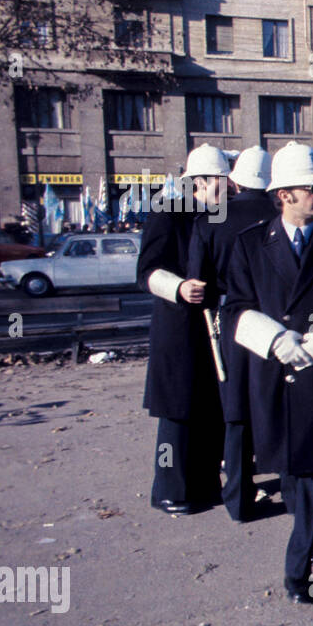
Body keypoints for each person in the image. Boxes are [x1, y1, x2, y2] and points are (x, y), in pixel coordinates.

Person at [225, 143, 313, 603]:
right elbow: (236, 308)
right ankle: (311, 556)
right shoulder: (250, 244)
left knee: (311, 473)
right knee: (298, 476)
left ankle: (299, 569)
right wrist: (279, 341)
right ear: (284, 195)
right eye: (312, 189)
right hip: (277, 375)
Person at [137, 144, 228, 514]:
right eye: (221, 183)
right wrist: (177, 287)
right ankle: (169, 489)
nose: (228, 189)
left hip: (212, 326)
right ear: (200, 183)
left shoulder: (220, 217)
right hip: (178, 325)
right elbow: (146, 270)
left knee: (209, 409)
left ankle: (206, 485)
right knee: (177, 410)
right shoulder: (168, 214)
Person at [187, 145, 275, 522]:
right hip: (276, 318)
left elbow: (198, 280)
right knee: (278, 404)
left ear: (235, 180)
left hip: (232, 318)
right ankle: (297, 488)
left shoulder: (209, 220)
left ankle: (238, 499)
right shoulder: (280, 214)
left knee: (236, 410)